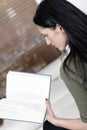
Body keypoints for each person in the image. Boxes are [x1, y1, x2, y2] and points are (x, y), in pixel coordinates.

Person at [33, 0, 87, 129]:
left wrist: (55, 120)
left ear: (60, 27)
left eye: (46, 35)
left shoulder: (71, 68)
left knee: (50, 126)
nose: (47, 42)